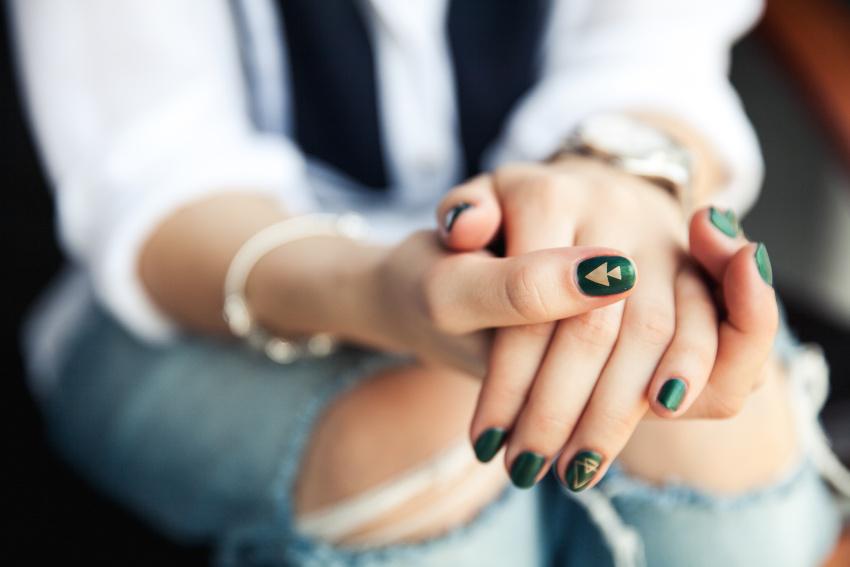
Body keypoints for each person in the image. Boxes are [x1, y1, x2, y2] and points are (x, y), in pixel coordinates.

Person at [11, 0, 846, 565]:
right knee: (422, 434)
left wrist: (615, 186)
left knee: (712, 421)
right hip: (220, 284)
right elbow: (158, 186)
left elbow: (652, 54)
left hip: (559, 223)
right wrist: (380, 290)